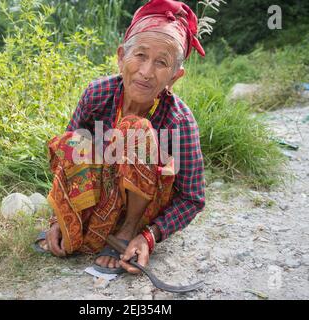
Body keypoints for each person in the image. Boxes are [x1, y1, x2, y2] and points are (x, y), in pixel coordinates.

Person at [34, 0, 206, 275]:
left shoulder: (179, 120)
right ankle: (78, 226)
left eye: (162, 63)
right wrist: (59, 218)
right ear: (120, 57)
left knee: (134, 129)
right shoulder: (97, 94)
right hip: (101, 201)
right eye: (140, 56)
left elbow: (192, 197)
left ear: (175, 76)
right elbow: (68, 161)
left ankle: (126, 234)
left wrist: (149, 236)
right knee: (70, 142)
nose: (146, 71)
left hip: (144, 213)